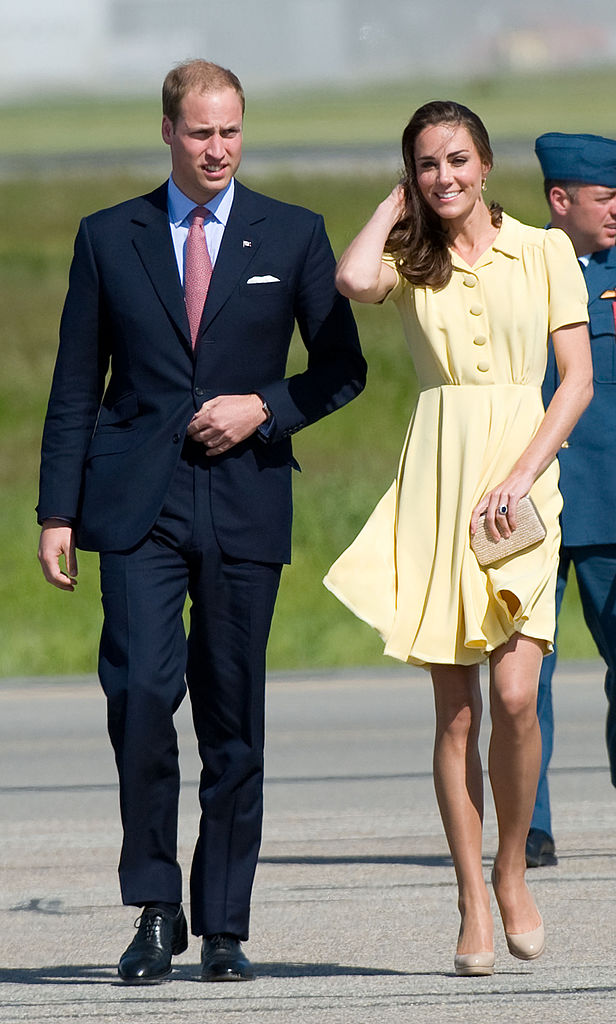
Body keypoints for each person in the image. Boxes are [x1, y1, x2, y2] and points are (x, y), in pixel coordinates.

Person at [37, 59, 365, 984]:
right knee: (139, 696)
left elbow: (342, 370)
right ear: (169, 133)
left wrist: (263, 407)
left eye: (230, 133)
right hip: (137, 503)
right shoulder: (110, 237)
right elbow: (73, 387)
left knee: (232, 718)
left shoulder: (293, 234)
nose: (217, 150)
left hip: (245, 496)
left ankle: (223, 923)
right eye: (200, 133)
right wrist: (57, 509)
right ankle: (154, 908)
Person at [324, 101, 592, 975]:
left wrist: (521, 473)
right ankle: (471, 897)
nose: (445, 177)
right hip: (439, 485)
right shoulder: (409, 256)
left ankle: (513, 868)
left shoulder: (546, 250)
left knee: (517, 698)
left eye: (457, 160)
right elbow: (353, 281)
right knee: (459, 711)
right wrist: (391, 208)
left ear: (486, 164)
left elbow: (576, 380)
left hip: (523, 480)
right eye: (427, 165)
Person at [526, 133, 616, 869]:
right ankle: (530, 823)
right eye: (606, 197)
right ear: (562, 201)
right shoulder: (517, 267)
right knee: (525, 681)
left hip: (612, 505)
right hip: (528, 504)